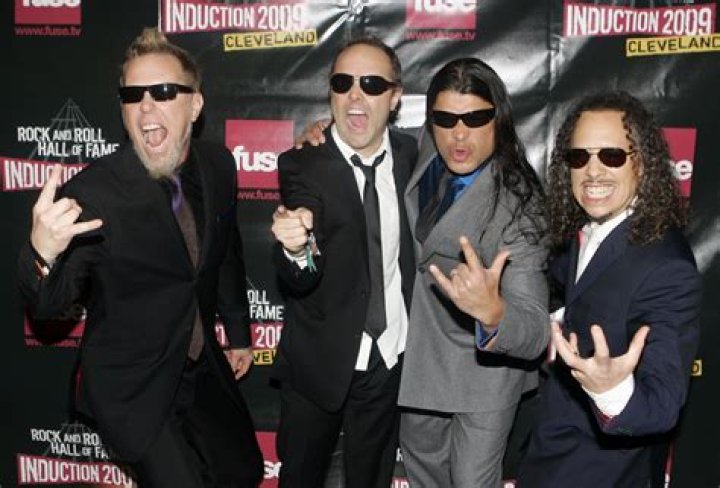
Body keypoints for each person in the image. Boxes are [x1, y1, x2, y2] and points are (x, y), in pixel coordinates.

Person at [17, 28, 263, 488]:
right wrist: (42, 253)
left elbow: (227, 252)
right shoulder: (94, 193)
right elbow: (49, 306)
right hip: (134, 382)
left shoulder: (218, 165)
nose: (146, 106)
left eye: (164, 92)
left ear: (195, 105)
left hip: (198, 364)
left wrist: (238, 334)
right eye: (133, 95)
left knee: (242, 469)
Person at [518, 91, 701, 487]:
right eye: (579, 157)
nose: (593, 171)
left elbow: (662, 405)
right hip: (550, 450)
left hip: (605, 472)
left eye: (612, 156)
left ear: (643, 164)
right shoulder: (585, 232)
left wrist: (612, 390)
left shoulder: (667, 267)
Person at [393, 58, 549, 487]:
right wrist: (325, 133)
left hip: (485, 371)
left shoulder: (520, 207)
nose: (458, 134)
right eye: (445, 119)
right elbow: (382, 138)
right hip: (422, 357)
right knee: (423, 475)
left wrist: (494, 313)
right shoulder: (430, 145)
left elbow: (536, 328)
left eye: (475, 119)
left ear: (498, 120)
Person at [270, 37, 417, 488]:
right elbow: (301, 272)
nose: (355, 94)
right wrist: (296, 248)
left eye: (371, 84)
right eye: (343, 83)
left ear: (395, 97)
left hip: (389, 356)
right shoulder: (301, 165)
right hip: (319, 360)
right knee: (301, 477)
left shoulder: (413, 156)